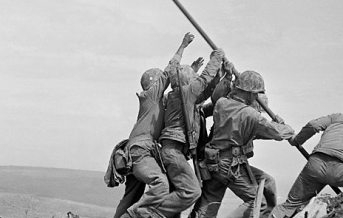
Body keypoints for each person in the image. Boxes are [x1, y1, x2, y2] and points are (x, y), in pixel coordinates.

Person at [191, 70, 295, 218]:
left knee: (210, 202)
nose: (256, 97)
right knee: (257, 202)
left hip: (213, 162)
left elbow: (255, 132)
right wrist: (286, 127)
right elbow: (277, 133)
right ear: (251, 93)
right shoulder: (250, 114)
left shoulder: (221, 104)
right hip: (231, 165)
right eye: (256, 94)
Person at [116, 33, 199, 218]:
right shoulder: (151, 96)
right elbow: (170, 70)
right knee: (161, 183)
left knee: (132, 196)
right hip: (141, 151)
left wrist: (191, 71)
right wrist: (183, 46)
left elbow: (181, 92)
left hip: (141, 151)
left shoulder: (158, 101)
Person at [156, 38, 226, 218]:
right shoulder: (185, 93)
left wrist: (220, 75)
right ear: (188, 81)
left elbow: (207, 91)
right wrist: (216, 57)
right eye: (193, 78)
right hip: (173, 151)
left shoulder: (178, 96)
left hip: (174, 151)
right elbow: (204, 80)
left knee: (177, 200)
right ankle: (147, 213)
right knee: (192, 191)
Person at [270, 109, 343, 218]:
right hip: (340, 172)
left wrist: (296, 140)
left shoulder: (338, 118)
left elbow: (313, 125)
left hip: (314, 166)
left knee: (290, 205)